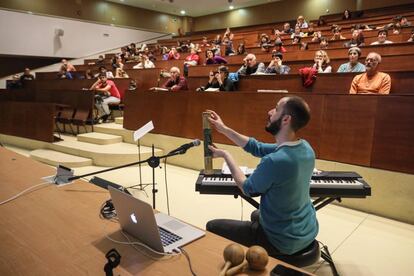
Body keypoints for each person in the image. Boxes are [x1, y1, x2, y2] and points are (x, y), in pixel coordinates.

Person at [205, 96, 318, 256]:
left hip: (282, 240)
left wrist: (225, 154)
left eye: (276, 109)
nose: (270, 112)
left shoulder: (275, 161)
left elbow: (247, 188)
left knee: (212, 226)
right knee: (256, 214)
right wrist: (224, 129)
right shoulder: (305, 148)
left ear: (286, 119)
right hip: (307, 230)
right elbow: (256, 147)